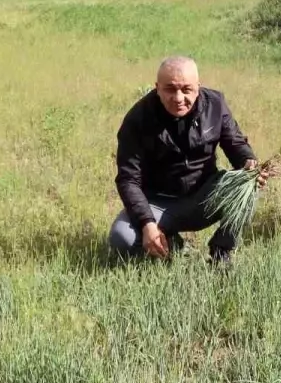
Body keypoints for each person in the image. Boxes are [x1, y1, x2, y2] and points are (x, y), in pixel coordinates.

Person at [108, 56, 266, 264]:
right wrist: (147, 223)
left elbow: (236, 144)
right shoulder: (138, 119)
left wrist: (248, 163)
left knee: (248, 185)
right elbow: (128, 180)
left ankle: (221, 252)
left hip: (206, 194)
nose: (179, 97)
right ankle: (173, 245)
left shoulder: (215, 105)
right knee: (122, 238)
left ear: (198, 87)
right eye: (170, 89)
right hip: (159, 203)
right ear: (157, 88)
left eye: (186, 89)